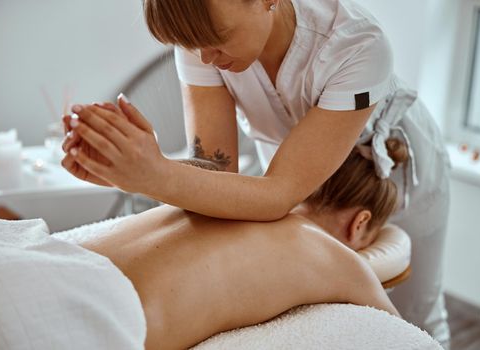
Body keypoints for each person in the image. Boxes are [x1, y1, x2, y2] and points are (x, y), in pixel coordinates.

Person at [61, 0, 451, 346]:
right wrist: (127, 172)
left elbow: (279, 194)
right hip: (298, 174)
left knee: (420, 308)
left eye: (219, 38)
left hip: (401, 170)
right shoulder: (202, 45)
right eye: (193, 44)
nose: (204, 57)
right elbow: (217, 171)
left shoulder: (356, 46)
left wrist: (154, 173)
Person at [79, 138, 407, 349]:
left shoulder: (220, 196)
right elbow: (403, 335)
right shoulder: (329, 254)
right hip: (101, 327)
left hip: (57, 267)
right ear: (360, 223)